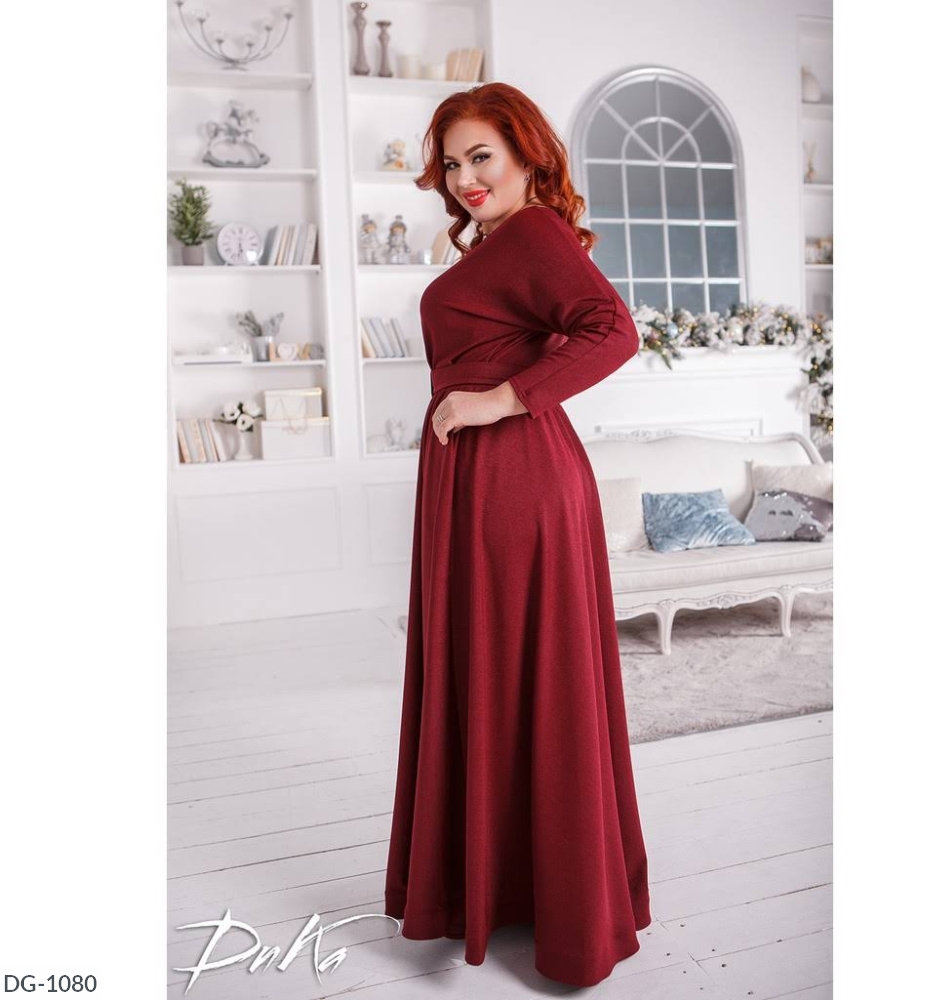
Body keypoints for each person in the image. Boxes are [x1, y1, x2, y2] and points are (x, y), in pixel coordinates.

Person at [383, 81, 651, 988]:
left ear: (528, 155)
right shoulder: (501, 245)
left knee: (521, 674)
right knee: (493, 674)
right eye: (452, 162)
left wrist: (499, 399)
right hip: (480, 484)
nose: (465, 177)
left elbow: (612, 331)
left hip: (515, 482)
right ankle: (510, 887)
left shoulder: (534, 233)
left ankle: (554, 908)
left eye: (481, 156)